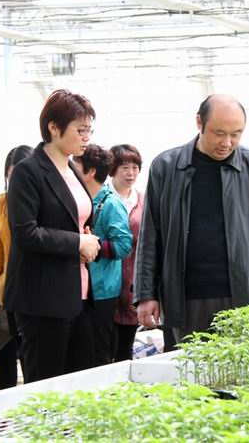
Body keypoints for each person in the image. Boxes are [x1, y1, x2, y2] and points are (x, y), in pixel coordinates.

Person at [134, 94, 249, 344]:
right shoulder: (166, 166)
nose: (227, 142)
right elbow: (150, 235)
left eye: (236, 134)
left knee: (241, 366)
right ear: (199, 122)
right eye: (219, 133)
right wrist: (146, 293)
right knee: (187, 366)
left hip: (245, 298)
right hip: (184, 299)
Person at [4, 89, 101, 383]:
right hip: (43, 298)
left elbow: (74, 220)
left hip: (78, 292)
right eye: (80, 130)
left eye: (89, 130)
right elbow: (26, 233)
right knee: (46, 385)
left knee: (80, 383)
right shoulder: (28, 172)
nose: (86, 137)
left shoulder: (71, 168)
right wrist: (78, 243)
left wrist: (86, 240)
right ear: (54, 128)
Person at [77, 144, 133, 366]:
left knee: (98, 352)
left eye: (76, 164)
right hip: (82, 289)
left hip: (101, 292)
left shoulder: (111, 203)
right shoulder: (82, 199)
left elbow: (123, 245)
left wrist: (93, 244)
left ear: (90, 171)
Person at [0, 145, 33, 389]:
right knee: (13, 352)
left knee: (31, 354)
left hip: (36, 289)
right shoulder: (3, 202)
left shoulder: (41, 202)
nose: (15, 182)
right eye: (11, 175)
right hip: (11, 289)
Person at [109, 144, 145, 362]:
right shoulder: (102, 198)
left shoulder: (143, 199)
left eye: (135, 167)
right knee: (105, 346)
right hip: (107, 280)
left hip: (132, 281)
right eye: (125, 167)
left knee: (126, 346)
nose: (131, 173)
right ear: (113, 169)